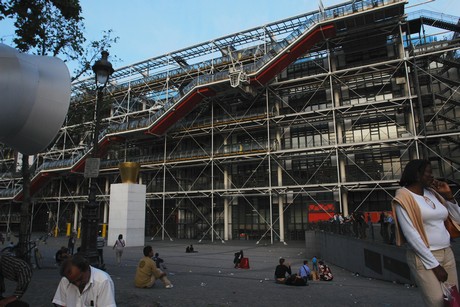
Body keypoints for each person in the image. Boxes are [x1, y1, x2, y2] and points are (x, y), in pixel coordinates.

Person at [392, 159, 460, 307]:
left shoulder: (433, 194)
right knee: (436, 302)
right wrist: (434, 265)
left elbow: (457, 218)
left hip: (446, 252)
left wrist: (449, 197)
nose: (432, 176)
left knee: (453, 300)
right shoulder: (404, 196)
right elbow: (411, 235)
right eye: (428, 172)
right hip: (424, 257)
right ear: (417, 175)